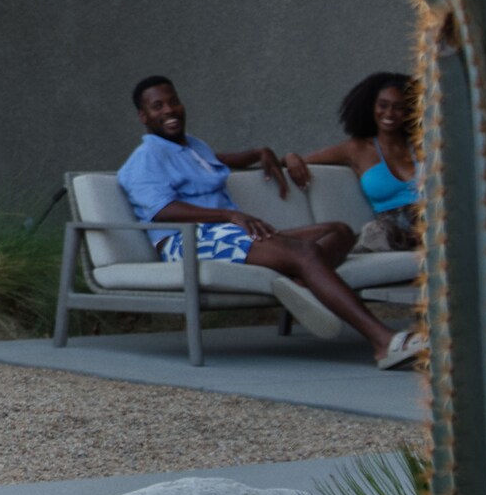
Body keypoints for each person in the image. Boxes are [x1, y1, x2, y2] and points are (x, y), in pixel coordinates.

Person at [118, 72, 409, 361]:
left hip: (224, 233)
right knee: (306, 253)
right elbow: (162, 210)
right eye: (158, 106)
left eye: (173, 102)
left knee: (340, 231)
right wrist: (229, 214)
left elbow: (217, 161)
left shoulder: (190, 147)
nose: (169, 110)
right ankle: (383, 341)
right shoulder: (146, 157)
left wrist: (259, 152)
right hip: (188, 241)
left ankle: (301, 287)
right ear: (143, 116)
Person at [338, 69, 423, 242]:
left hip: (430, 219)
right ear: (371, 107)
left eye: (399, 107)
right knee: (374, 232)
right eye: (383, 105)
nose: (389, 113)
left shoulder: (420, 146)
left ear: (409, 112)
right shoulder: (356, 148)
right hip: (391, 230)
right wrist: (292, 158)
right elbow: (290, 162)